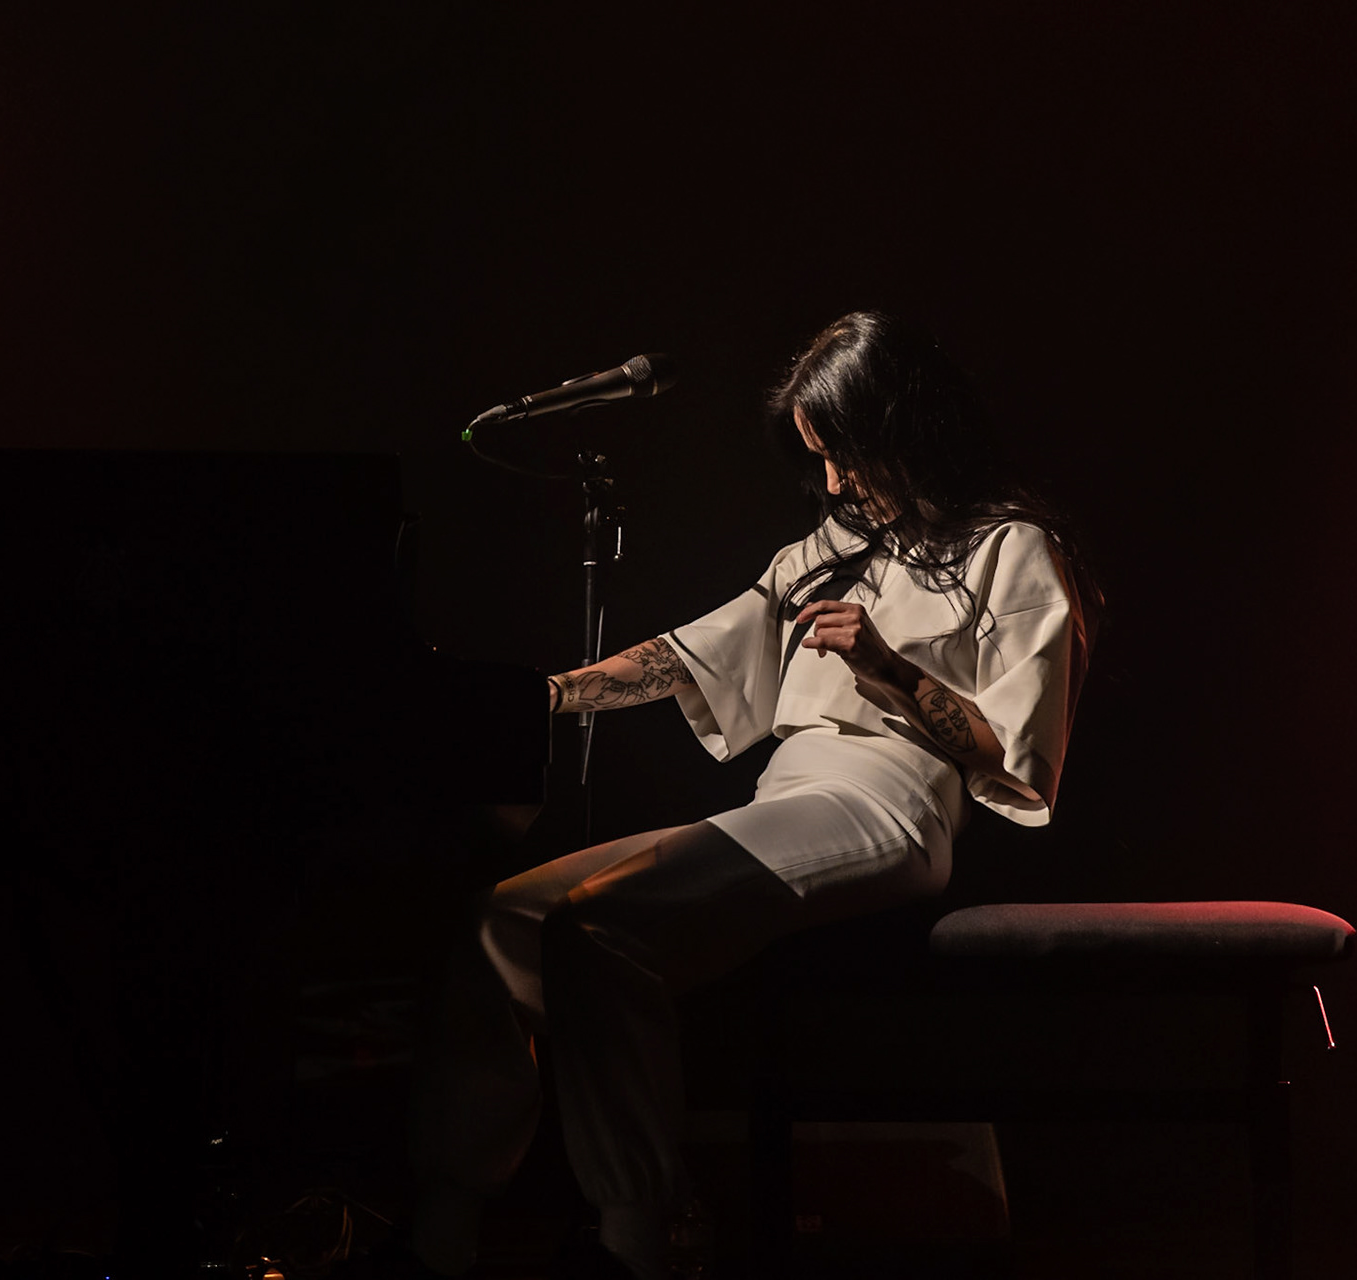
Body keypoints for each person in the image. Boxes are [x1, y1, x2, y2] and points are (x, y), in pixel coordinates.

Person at [394, 312, 1096, 1280]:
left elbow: (1015, 757)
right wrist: (541, 696)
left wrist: (893, 669)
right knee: (502, 919)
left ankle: (639, 1234)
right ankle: (442, 1228)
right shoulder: (832, 546)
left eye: (843, 453)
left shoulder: (1009, 548)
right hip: (783, 800)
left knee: (597, 931)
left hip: (890, 805)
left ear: (902, 425)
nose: (835, 482)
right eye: (820, 460)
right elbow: (687, 653)